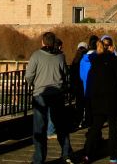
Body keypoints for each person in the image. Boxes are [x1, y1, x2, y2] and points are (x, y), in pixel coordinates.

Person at [25, 31, 74, 164]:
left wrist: (35, 84)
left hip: (40, 94)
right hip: (57, 94)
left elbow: (29, 76)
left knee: (39, 128)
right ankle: (66, 154)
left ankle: (39, 159)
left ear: (43, 42)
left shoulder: (36, 56)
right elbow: (65, 75)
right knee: (61, 126)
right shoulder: (60, 57)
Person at [82, 36, 117, 164]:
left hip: (97, 98)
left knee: (96, 127)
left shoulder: (94, 61)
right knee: (113, 128)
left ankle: (86, 153)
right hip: (111, 97)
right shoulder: (113, 60)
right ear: (111, 46)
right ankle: (113, 155)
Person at [70, 43, 88, 127]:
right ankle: (86, 120)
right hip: (85, 85)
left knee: (79, 105)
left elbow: (72, 74)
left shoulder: (75, 61)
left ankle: (78, 121)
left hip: (77, 85)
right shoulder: (86, 60)